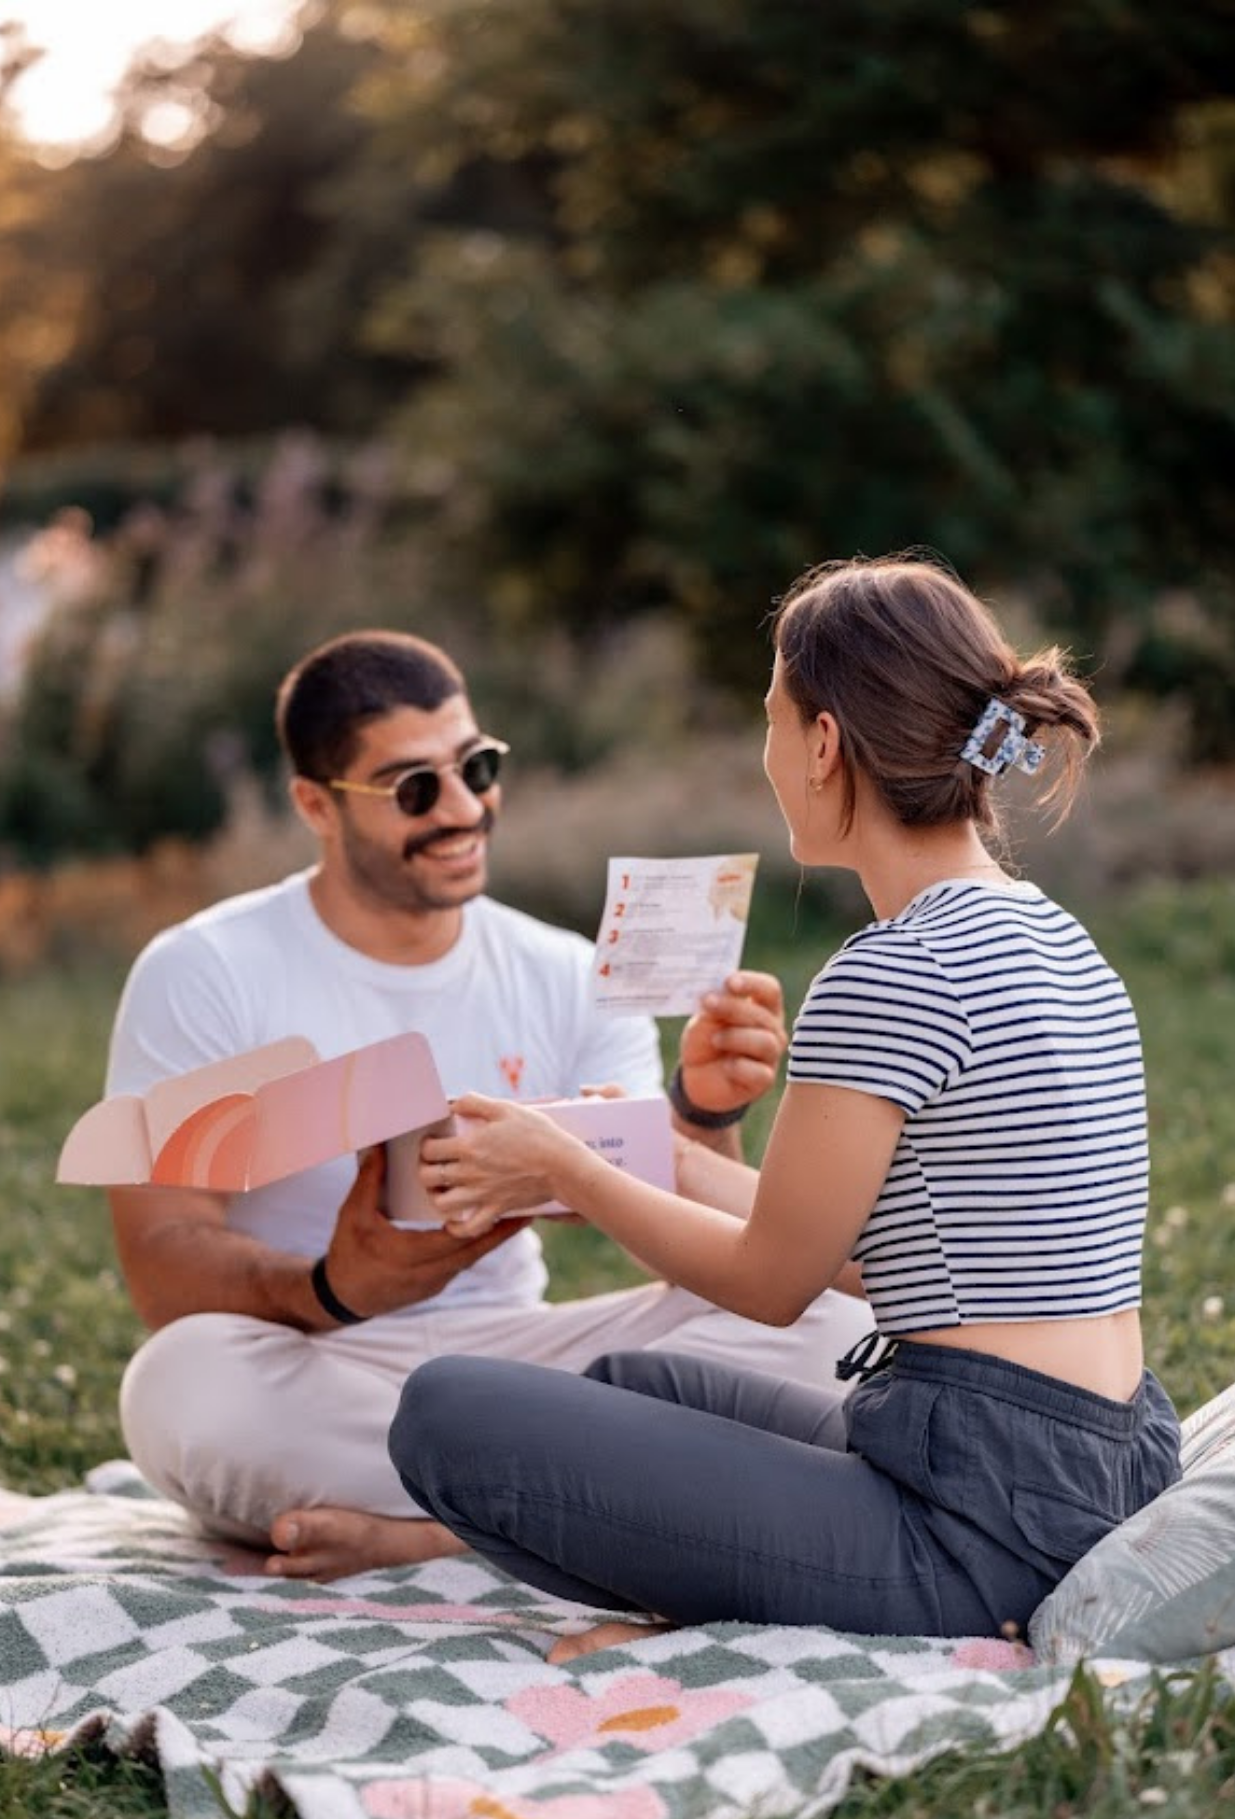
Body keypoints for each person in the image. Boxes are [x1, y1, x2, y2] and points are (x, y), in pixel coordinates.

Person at [388, 554, 1183, 1662]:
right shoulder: (1052, 934)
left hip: (979, 1521)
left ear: (822, 743)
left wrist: (567, 1174)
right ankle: (735, 1590)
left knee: (445, 1415)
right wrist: (638, 1153)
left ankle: (758, 1618)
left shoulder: (890, 971)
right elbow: (885, 1254)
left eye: (771, 719)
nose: (766, 755)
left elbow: (773, 1283)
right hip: (1106, 1456)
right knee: (632, 1384)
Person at [105, 628, 867, 1581]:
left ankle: (445, 1529)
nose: (464, 808)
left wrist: (699, 1114)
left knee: (835, 1334)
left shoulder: (563, 971)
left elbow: (667, 1236)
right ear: (315, 804)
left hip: (527, 1369)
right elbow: (160, 1258)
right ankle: (597, 1504)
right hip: (314, 1361)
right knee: (182, 1386)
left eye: (479, 765)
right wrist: (333, 1288)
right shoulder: (207, 970)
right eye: (414, 787)